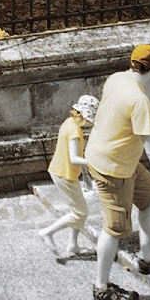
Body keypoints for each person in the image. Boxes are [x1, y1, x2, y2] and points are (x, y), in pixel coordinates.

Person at [83, 42, 150, 300]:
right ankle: (101, 287)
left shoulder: (116, 79)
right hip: (111, 167)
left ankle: (147, 257)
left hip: (117, 159)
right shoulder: (140, 101)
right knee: (114, 229)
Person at [37, 92, 100, 259]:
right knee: (80, 213)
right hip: (63, 173)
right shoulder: (74, 130)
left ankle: (73, 246)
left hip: (63, 171)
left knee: (78, 210)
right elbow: (74, 157)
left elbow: (77, 154)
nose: (89, 123)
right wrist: (94, 164)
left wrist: (85, 175)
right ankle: (47, 232)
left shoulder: (69, 123)